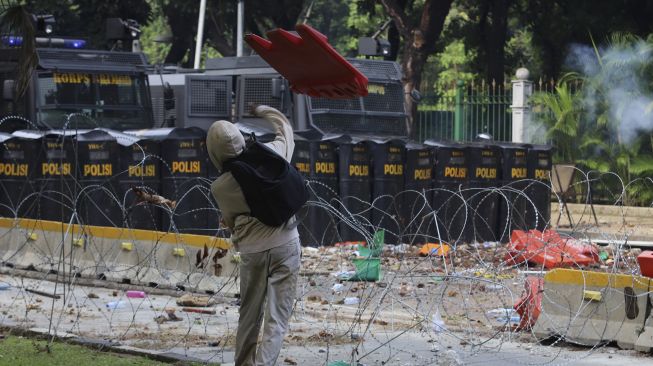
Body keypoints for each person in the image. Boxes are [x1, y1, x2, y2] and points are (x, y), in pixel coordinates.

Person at [206, 105, 300, 366]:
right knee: (277, 318)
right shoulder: (271, 154)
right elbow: (286, 130)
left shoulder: (220, 187)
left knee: (249, 315)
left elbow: (231, 221)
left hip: (254, 252)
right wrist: (264, 110)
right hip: (287, 245)